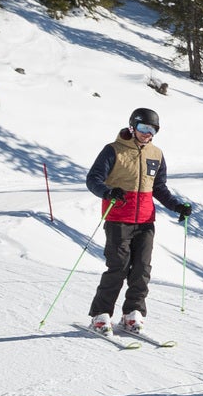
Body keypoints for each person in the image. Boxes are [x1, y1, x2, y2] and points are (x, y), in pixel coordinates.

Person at [82, 106, 193, 333]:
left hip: (145, 221)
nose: (147, 133)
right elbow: (93, 179)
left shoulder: (156, 154)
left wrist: (176, 206)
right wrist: (107, 192)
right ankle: (100, 314)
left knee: (142, 269)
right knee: (118, 267)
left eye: (153, 130)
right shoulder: (113, 150)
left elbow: (159, 187)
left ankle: (133, 313)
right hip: (118, 219)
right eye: (143, 128)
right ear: (133, 127)